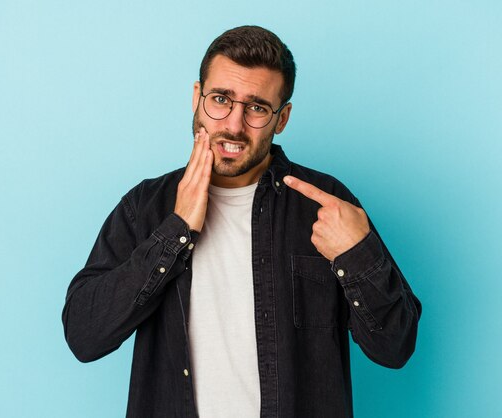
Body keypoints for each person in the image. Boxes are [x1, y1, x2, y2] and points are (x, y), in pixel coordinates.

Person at [62, 25, 421, 418]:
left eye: (256, 107)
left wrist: (356, 256)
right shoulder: (145, 206)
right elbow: (84, 336)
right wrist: (176, 229)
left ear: (281, 118)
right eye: (220, 100)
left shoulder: (326, 204)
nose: (233, 125)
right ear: (197, 97)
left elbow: (395, 347)